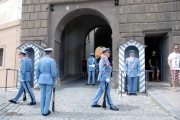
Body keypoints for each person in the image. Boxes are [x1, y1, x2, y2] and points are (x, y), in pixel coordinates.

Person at [36, 48, 57, 116]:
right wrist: (54, 79)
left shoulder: (40, 60)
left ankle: (42, 110)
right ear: (50, 53)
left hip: (41, 78)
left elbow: (37, 71)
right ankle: (45, 111)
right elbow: (53, 71)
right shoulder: (52, 60)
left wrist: (38, 78)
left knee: (42, 95)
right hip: (49, 79)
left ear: (45, 53)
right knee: (48, 95)